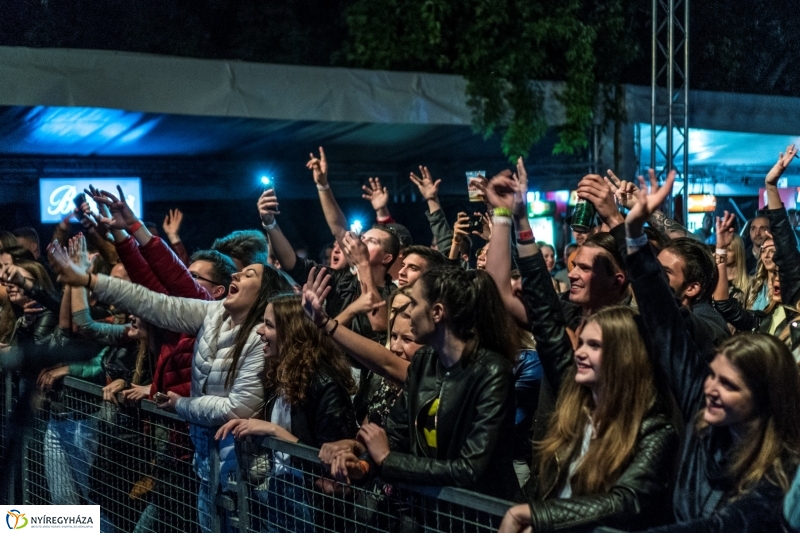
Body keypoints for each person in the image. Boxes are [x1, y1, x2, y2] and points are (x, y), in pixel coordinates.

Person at [482, 172, 678, 532]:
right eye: (572, 266)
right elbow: (524, 303)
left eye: (584, 268)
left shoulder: (653, 422)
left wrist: (621, 222)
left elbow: (659, 299)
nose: (572, 274)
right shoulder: (578, 393)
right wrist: (509, 217)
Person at [48, 244, 292, 533]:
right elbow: (152, 301)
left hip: (242, 478)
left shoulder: (256, 338)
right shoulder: (212, 315)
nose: (238, 274)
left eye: (249, 274)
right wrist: (90, 279)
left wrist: (181, 405)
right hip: (204, 468)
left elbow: (236, 408)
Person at [625, 168, 800, 532]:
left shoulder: (782, 471)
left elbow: (721, 526)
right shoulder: (703, 414)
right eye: (714, 375)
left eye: (730, 385)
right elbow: (665, 325)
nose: (711, 388)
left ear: (765, 396)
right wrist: (634, 235)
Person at [351, 265, 519, 500]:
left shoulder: (492, 372)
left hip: (479, 517)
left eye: (414, 303)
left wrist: (389, 461)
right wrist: (362, 464)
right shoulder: (424, 361)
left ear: (437, 312)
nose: (408, 312)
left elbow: (469, 469)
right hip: (432, 511)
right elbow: (396, 435)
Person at [216, 293, 356, 533]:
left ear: (292, 334)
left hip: (313, 503)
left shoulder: (324, 383)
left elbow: (328, 462)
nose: (259, 330)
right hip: (283, 490)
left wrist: (273, 430)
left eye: (269, 325)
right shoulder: (284, 374)